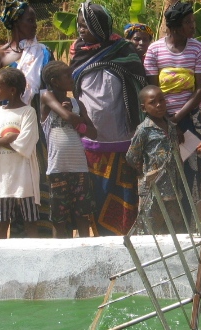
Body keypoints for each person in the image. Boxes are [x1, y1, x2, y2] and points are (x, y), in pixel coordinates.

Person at [70, 0, 147, 236]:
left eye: (86, 25)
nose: (82, 30)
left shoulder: (124, 51)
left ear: (100, 26)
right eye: (80, 26)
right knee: (96, 195)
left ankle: (124, 241)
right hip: (92, 142)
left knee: (124, 196)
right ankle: (99, 240)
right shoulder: (78, 55)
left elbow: (139, 85)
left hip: (123, 141)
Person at [0, 0, 53, 237]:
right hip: (8, 132)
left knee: (37, 181)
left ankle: (39, 235)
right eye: (30, 20)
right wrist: (4, 133)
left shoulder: (43, 53)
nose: (35, 25)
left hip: (37, 131)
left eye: (35, 20)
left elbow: (48, 92)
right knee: (11, 182)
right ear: (15, 22)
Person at [144, 1, 201, 205]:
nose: (192, 26)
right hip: (160, 121)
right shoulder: (154, 50)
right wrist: (166, 122)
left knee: (193, 173)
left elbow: (200, 89)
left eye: (192, 21)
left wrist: (178, 119)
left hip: (191, 120)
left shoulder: (198, 49)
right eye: (188, 22)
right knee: (165, 174)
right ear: (174, 27)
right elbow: (152, 90)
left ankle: (193, 222)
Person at [40, 61, 97, 238]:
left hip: (79, 167)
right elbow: (65, 116)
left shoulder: (76, 103)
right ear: (54, 81)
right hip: (57, 168)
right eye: (67, 76)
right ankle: (61, 252)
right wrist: (77, 119)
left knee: (82, 214)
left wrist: (76, 115)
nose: (71, 79)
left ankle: (85, 249)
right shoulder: (46, 97)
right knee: (59, 217)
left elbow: (93, 133)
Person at [0, 68, 40, 239]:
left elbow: (26, 143)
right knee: (2, 219)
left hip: (24, 176)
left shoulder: (28, 112)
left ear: (12, 90)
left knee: (30, 220)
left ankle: (34, 255)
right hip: (4, 176)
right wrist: (7, 139)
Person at [126, 85, 186, 234]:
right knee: (150, 230)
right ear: (144, 108)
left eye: (162, 100)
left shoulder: (171, 127)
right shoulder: (144, 129)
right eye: (153, 102)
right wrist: (147, 172)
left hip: (173, 188)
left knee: (175, 229)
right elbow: (132, 157)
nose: (159, 105)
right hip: (153, 191)